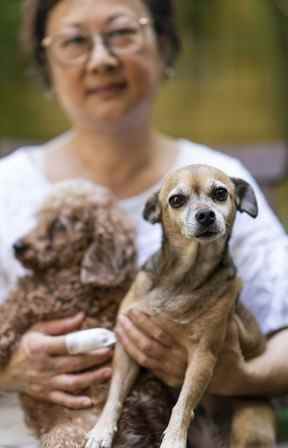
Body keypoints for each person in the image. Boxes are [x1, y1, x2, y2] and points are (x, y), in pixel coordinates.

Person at [0, 0, 287, 446]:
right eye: (75, 41)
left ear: (164, 47)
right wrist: (10, 368)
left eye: (122, 33)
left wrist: (238, 375)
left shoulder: (218, 179)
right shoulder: (7, 187)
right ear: (46, 67)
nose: (101, 59)